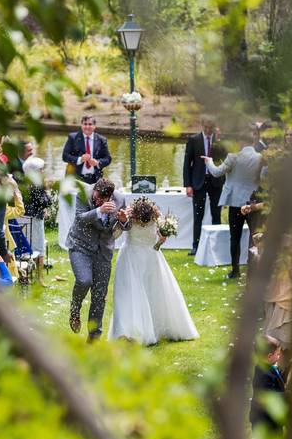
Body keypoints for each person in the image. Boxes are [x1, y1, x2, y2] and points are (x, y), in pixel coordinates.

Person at [108, 196, 198, 345]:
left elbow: (114, 234)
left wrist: (160, 241)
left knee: (134, 295)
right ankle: (136, 330)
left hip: (139, 259)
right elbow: (154, 245)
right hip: (146, 258)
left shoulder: (146, 219)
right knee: (148, 294)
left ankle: (134, 331)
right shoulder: (150, 219)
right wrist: (159, 242)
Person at [67, 178, 130, 342]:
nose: (97, 200)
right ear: (94, 190)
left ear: (110, 197)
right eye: (96, 197)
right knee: (84, 280)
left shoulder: (120, 199)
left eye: (102, 199)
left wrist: (124, 220)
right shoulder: (84, 194)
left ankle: (94, 338)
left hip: (104, 251)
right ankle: (75, 308)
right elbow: (80, 218)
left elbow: (125, 226)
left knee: (99, 295)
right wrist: (99, 210)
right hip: (80, 246)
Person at [204, 125, 264, 279]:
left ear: (240, 142)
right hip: (254, 203)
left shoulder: (233, 157)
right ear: (253, 141)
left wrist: (209, 161)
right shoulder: (260, 158)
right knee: (254, 237)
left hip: (236, 203)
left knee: (235, 238)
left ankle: (235, 270)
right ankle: (252, 272)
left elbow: (217, 172)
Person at [183, 116, 226, 255]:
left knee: (216, 214)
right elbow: (187, 164)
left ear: (214, 127)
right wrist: (188, 185)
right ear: (202, 125)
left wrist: (220, 141)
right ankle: (195, 245)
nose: (208, 130)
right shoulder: (194, 140)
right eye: (206, 127)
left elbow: (225, 160)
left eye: (210, 128)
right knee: (198, 215)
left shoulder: (219, 141)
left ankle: (217, 245)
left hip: (216, 182)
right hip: (198, 182)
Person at [61, 115, 111, 185]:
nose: (87, 127)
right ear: (81, 125)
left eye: (90, 124)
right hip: (75, 178)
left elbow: (108, 159)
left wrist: (98, 162)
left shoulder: (102, 140)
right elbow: (65, 156)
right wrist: (80, 159)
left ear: (94, 126)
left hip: (95, 179)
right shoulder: (72, 137)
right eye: (85, 124)